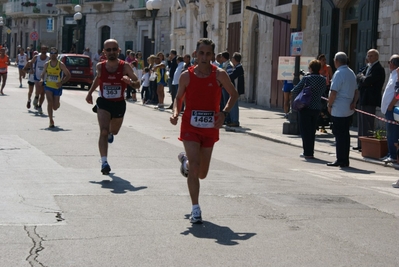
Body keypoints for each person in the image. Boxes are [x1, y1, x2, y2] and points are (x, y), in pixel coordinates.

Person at [170, 38, 239, 224]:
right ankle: (195, 208)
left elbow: (234, 94)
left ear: (212, 55)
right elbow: (178, 98)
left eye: (208, 54)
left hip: (210, 127)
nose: (204, 57)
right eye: (201, 53)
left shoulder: (220, 75)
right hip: (190, 126)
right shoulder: (186, 76)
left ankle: (184, 161)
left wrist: (224, 113)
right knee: (194, 167)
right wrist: (176, 113)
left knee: (202, 173)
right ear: (196, 54)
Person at [85, 39, 140, 175]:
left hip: (119, 103)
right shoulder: (100, 66)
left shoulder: (125, 67)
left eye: (114, 49)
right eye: (108, 50)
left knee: (113, 131)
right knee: (103, 131)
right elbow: (98, 79)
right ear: (104, 52)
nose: (111, 52)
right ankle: (104, 162)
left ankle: (111, 133)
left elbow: (138, 83)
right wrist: (90, 93)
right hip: (104, 102)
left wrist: (131, 82)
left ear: (118, 51)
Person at [327, 52, 358, 167]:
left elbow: (334, 92)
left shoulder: (339, 73)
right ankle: (345, 159)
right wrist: (354, 102)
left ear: (336, 61)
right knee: (345, 134)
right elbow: (356, 91)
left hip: (339, 108)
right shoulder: (351, 72)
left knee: (339, 135)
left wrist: (329, 105)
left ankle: (340, 159)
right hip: (348, 108)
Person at [291, 59, 327, 159]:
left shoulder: (307, 79)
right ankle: (311, 151)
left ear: (310, 68)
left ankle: (307, 152)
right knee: (312, 130)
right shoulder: (323, 79)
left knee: (305, 130)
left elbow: (295, 90)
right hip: (316, 107)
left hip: (305, 107)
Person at [354, 49, 386, 151]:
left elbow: (367, 81)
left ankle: (366, 145)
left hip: (370, 99)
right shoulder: (368, 67)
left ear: (376, 57)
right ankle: (360, 144)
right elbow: (358, 76)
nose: (369, 58)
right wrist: (362, 78)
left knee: (367, 123)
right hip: (363, 98)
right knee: (361, 122)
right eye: (368, 56)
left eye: (371, 56)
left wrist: (362, 79)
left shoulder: (378, 69)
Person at [40, 47, 71, 128]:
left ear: (57, 55)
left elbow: (68, 75)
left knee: (55, 107)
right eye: (51, 54)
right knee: (49, 102)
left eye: (55, 54)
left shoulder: (60, 64)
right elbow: (42, 74)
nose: (53, 55)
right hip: (48, 86)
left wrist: (62, 82)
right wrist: (41, 80)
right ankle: (51, 120)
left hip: (57, 87)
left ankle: (57, 104)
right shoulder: (47, 64)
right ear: (50, 55)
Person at [380, 55, 399, 163]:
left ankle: (392, 155)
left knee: (392, 132)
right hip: (390, 108)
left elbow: (398, 94)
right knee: (391, 132)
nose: (389, 64)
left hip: (394, 108)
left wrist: (391, 105)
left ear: (393, 63)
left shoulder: (397, 74)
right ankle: (390, 153)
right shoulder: (393, 74)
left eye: (389, 62)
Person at [30, 45, 50, 114]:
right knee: (38, 90)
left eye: (45, 49)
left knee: (43, 93)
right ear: (40, 50)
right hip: (37, 77)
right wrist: (32, 69)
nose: (44, 50)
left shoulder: (49, 59)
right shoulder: (36, 57)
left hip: (45, 78)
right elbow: (31, 62)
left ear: (47, 50)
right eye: (42, 49)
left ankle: (40, 106)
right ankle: (36, 97)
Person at [317, 54, 334, 133]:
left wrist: (331, 83)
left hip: (326, 88)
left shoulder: (328, 67)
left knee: (325, 105)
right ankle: (319, 123)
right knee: (319, 105)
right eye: (322, 60)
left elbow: (331, 77)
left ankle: (325, 123)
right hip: (319, 88)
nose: (324, 61)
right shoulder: (316, 68)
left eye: (325, 60)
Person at [227, 52, 245, 127]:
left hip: (236, 89)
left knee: (234, 105)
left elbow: (232, 77)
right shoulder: (237, 67)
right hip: (235, 89)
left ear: (234, 59)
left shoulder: (239, 68)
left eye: (232, 58)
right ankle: (232, 120)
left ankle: (235, 121)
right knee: (233, 104)